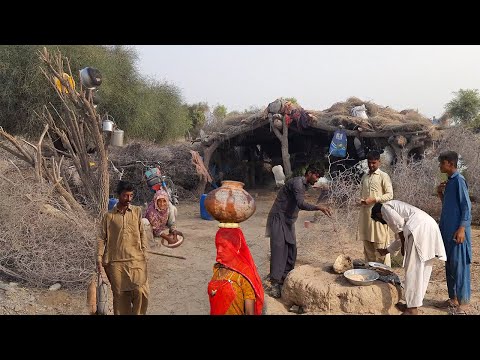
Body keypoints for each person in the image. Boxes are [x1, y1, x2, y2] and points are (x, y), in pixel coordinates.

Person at [265, 164, 332, 298]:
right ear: (310, 173)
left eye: (318, 177)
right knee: (279, 250)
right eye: (316, 176)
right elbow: (301, 203)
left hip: (288, 221)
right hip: (279, 218)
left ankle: (285, 278)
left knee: (291, 249)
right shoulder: (297, 183)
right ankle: (274, 283)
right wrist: (318, 207)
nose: (317, 179)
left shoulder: (303, 184)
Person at [372, 200, 447, 315]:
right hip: (430, 227)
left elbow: (399, 226)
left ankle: (411, 309)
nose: (383, 222)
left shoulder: (384, 207)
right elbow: (400, 235)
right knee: (422, 269)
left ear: (378, 214)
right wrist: (386, 250)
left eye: (379, 220)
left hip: (418, 230)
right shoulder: (397, 208)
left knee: (413, 271)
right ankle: (412, 304)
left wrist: (403, 246)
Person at [97, 180, 149, 315]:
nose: (128, 199)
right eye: (125, 196)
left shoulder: (137, 211)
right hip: (115, 262)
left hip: (136, 259)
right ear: (118, 195)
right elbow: (102, 237)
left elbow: (142, 233)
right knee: (120, 296)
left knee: (140, 292)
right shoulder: (109, 216)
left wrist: (144, 252)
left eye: (131, 196)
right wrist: (99, 257)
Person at [436, 150, 472, 314]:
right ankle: (453, 299)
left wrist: (462, 228)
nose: (440, 166)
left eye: (442, 163)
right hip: (447, 232)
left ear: (450, 163)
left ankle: (463, 303)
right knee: (449, 265)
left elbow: (466, 207)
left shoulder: (459, 181)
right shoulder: (450, 182)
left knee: (460, 266)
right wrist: (440, 195)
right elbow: (450, 207)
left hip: (458, 233)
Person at [208, 228, 264, 315]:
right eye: (218, 246)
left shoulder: (244, 275)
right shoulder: (217, 269)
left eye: (224, 246)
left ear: (236, 248)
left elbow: (250, 312)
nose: (219, 250)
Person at [357, 150, 393, 266]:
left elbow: (390, 195)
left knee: (381, 246)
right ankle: (371, 273)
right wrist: (360, 201)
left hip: (379, 217)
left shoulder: (383, 176)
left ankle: (385, 274)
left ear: (379, 162)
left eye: (374, 163)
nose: (371, 165)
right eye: (369, 162)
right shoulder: (365, 177)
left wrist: (374, 199)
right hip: (365, 217)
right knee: (368, 247)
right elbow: (361, 194)